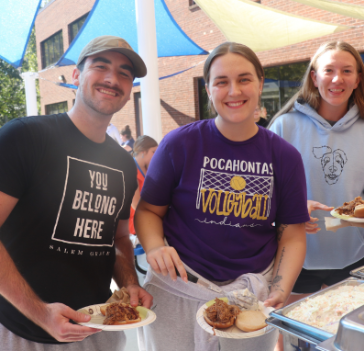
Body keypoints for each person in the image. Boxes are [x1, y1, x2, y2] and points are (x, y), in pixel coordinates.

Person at [135, 42, 310, 351]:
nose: (234, 91)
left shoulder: (285, 156)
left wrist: (280, 288)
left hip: (249, 296)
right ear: (208, 89)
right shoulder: (179, 143)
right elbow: (148, 211)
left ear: (260, 83)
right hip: (178, 288)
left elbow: (292, 233)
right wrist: (154, 247)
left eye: (244, 79)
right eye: (221, 81)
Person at [0, 35, 153, 351]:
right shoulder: (25, 137)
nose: (113, 79)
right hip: (22, 331)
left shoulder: (123, 165)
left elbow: (120, 238)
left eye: (125, 73)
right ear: (75, 75)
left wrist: (130, 283)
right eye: (101, 66)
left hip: (97, 331)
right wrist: (41, 314)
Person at [268, 41, 364, 350]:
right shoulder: (284, 127)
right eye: (329, 70)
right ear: (314, 77)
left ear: (357, 79)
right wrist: (293, 208)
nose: (337, 79)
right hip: (296, 259)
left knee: (350, 342)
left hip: (353, 255)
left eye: (346, 71)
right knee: (293, 340)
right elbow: (264, 191)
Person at [129, 135, 158, 236]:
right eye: (153, 152)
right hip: (136, 225)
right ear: (142, 151)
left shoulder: (147, 168)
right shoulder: (131, 170)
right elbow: (135, 204)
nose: (156, 155)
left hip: (147, 219)